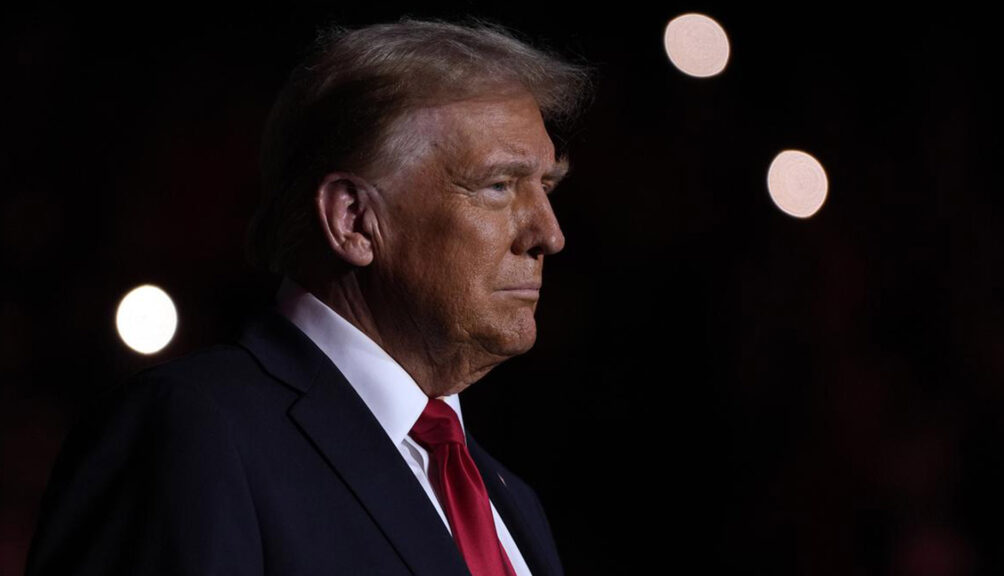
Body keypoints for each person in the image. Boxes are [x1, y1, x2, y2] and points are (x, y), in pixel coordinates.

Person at [24, 18, 591, 576]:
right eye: (497, 186)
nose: (549, 233)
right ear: (354, 221)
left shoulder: (511, 501)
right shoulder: (193, 433)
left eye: (545, 187)